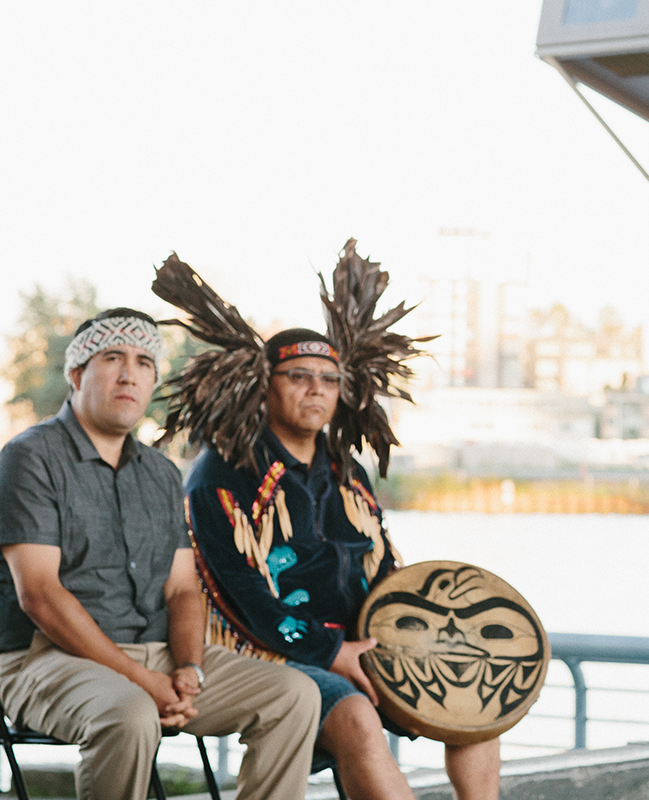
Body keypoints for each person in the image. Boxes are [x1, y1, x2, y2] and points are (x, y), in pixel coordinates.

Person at [151, 245, 501, 800]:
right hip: (268, 655)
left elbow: (382, 566)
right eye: (298, 376)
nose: (316, 389)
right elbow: (238, 593)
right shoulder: (223, 472)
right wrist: (332, 652)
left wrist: (411, 632)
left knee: (478, 699)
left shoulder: (346, 469)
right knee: (356, 714)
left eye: (329, 379)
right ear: (264, 384)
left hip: (364, 643)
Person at [0, 308, 321, 800]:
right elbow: (40, 595)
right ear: (76, 375)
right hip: (44, 659)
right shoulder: (29, 458)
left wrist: (189, 669)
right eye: (112, 358)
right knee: (131, 712)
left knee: (293, 694)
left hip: (156, 655)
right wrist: (142, 680)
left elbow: (182, 588)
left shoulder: (160, 473)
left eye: (144, 363)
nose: (129, 375)